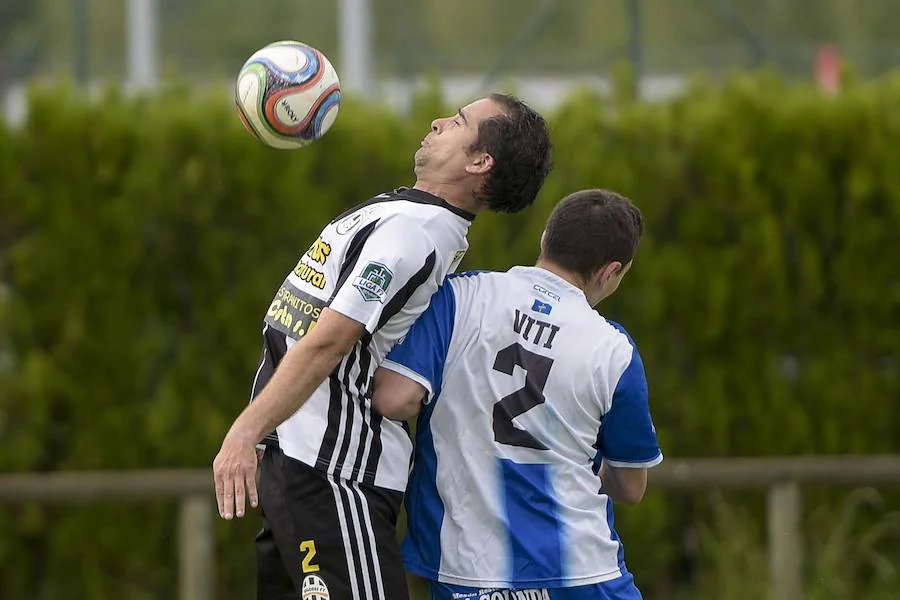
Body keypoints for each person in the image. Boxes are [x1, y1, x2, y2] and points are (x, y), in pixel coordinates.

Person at [212, 93, 552, 600]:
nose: (438, 121)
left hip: (335, 476)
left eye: (458, 122)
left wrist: (244, 432)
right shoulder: (406, 215)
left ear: (480, 161)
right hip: (296, 465)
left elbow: (327, 341)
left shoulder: (415, 236)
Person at [372, 189, 662, 600]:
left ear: (545, 237)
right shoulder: (614, 350)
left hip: (468, 571)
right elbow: (631, 487)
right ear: (610, 272)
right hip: (582, 573)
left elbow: (394, 398)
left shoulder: (461, 297)